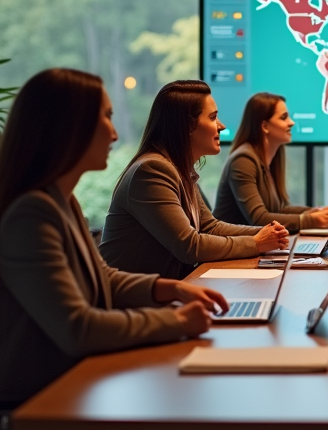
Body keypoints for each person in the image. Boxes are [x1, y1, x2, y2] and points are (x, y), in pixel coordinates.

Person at [0, 68, 246, 430]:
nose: (117, 131)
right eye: (105, 116)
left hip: (64, 396)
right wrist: (177, 321)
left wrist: (163, 288)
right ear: (69, 128)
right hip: (25, 428)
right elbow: (78, 328)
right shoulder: (29, 215)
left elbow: (102, 277)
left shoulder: (59, 202)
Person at [100, 80, 288, 280]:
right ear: (187, 126)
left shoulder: (179, 168)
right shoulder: (152, 170)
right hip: (132, 302)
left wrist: (265, 233)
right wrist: (256, 243)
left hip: (166, 292)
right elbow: (189, 246)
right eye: (213, 117)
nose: (221, 126)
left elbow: (210, 227)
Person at [213, 91, 328, 232]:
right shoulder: (243, 160)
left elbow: (278, 209)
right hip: (235, 249)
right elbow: (259, 219)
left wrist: (316, 212)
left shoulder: (269, 159)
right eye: (284, 117)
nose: (291, 122)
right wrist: (311, 220)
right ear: (265, 126)